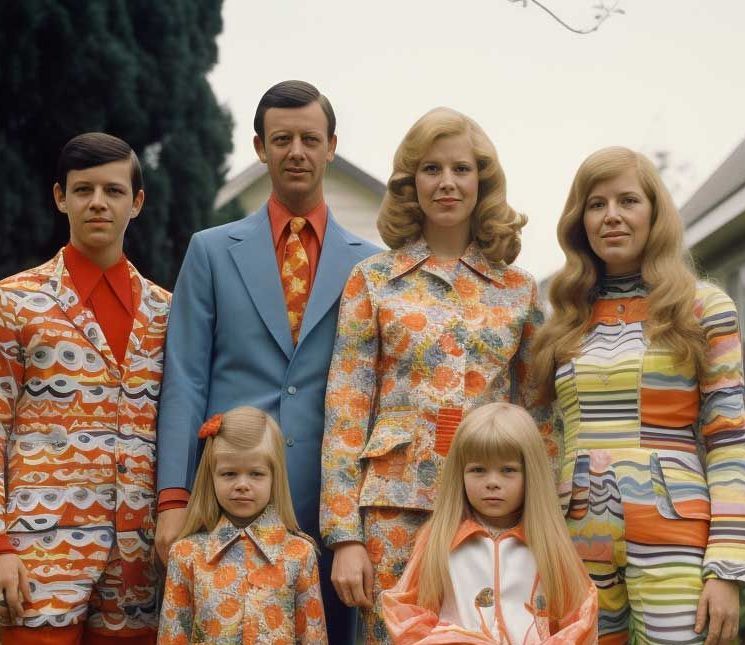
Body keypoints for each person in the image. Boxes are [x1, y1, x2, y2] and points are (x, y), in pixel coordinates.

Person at [154, 79, 378, 643]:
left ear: (332, 145)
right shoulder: (209, 251)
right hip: (227, 499)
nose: (296, 151)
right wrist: (173, 498)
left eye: (309, 138)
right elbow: (184, 377)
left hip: (332, 508)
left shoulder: (371, 267)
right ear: (260, 147)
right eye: (282, 139)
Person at [321, 107, 556, 643]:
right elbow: (346, 408)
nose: (446, 183)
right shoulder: (374, 280)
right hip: (393, 508)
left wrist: (549, 519)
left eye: (461, 169)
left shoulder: (517, 288)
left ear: (482, 181)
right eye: (431, 170)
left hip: (494, 509)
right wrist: (344, 536)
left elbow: (542, 414)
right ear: (411, 183)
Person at [531, 146, 745, 644]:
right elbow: (544, 439)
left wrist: (727, 568)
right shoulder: (563, 318)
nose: (612, 216)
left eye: (628, 200)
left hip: (676, 538)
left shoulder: (701, 307)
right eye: (595, 204)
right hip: (576, 540)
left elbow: (731, 441)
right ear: (579, 220)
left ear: (655, 212)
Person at [0, 133, 170, 643]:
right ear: (60, 197)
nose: (98, 202)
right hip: (36, 555)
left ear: (136, 202)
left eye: (114, 191)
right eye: (84, 190)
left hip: (138, 565)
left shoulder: (167, 311)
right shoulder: (15, 301)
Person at [381, 402, 597, 643]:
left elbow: (578, 616)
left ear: (531, 474)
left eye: (507, 470)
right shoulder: (440, 538)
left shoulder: (549, 544)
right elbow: (408, 609)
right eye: (478, 470)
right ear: (459, 474)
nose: (492, 482)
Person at [157, 406, 327, 643]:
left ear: (274, 476)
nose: (242, 484)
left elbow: (313, 637)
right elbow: (172, 637)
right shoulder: (186, 555)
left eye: (256, 474)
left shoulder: (299, 554)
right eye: (229, 474)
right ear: (211, 476)